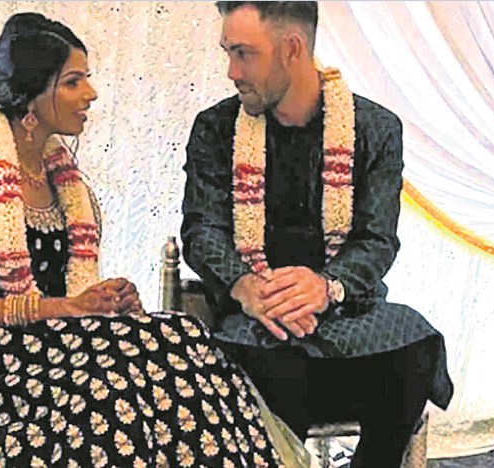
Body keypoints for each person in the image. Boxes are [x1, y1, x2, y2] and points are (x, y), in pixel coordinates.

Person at [0, 12, 311, 468]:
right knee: (109, 391)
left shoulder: (63, 180)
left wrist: (105, 301)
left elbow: (65, 291)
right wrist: (70, 309)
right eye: (73, 82)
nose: (90, 94)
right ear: (30, 95)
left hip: (48, 339)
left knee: (181, 337)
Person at [181, 2, 454, 467]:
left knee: (415, 346)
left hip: (346, 321)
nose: (232, 72)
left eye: (244, 54)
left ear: (292, 48)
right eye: (229, 52)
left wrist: (327, 287)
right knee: (264, 364)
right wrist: (246, 287)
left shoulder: (375, 129)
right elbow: (201, 230)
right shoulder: (216, 129)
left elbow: (376, 240)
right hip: (257, 327)